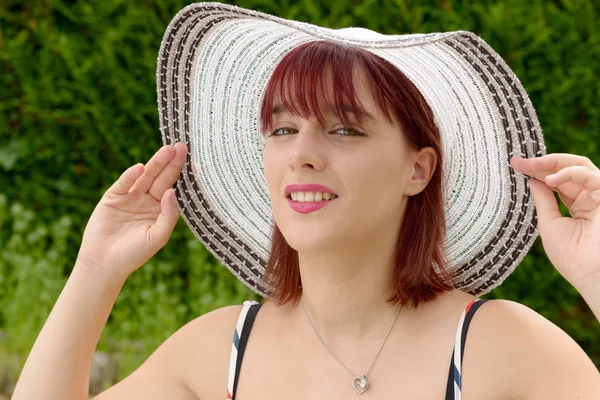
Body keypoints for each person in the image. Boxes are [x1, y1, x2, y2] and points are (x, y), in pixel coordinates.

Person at [12, 3, 600, 399]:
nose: (303, 154)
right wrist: (95, 271)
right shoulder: (217, 355)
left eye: (345, 130)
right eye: (283, 128)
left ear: (418, 170)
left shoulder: (502, 348)